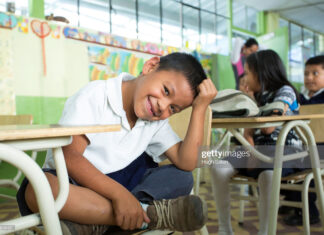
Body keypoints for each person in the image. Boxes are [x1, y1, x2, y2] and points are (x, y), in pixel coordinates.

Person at [16, 52, 217, 234]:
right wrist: (119, 195)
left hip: (124, 186)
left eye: (173, 109)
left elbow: (187, 161)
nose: (162, 107)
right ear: (150, 66)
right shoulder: (95, 96)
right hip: (76, 183)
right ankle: (146, 215)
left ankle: (94, 224)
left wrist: (200, 109)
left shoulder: (156, 121)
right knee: (39, 189)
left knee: (182, 177)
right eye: (165, 90)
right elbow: (70, 157)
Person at [210, 49, 301, 235]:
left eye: (248, 72)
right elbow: (248, 131)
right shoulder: (257, 96)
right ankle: (224, 229)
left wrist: (251, 103)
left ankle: (266, 231)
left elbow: (268, 127)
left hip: (285, 150)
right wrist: (250, 150)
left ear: (262, 73)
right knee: (217, 167)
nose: (245, 76)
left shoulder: (285, 91)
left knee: (267, 176)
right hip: (259, 150)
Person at [281, 55, 324, 226]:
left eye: (315, 73)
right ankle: (292, 200)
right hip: (304, 145)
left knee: (303, 164)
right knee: (277, 158)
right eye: (306, 74)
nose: (309, 78)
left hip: (319, 148)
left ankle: (309, 212)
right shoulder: (302, 97)